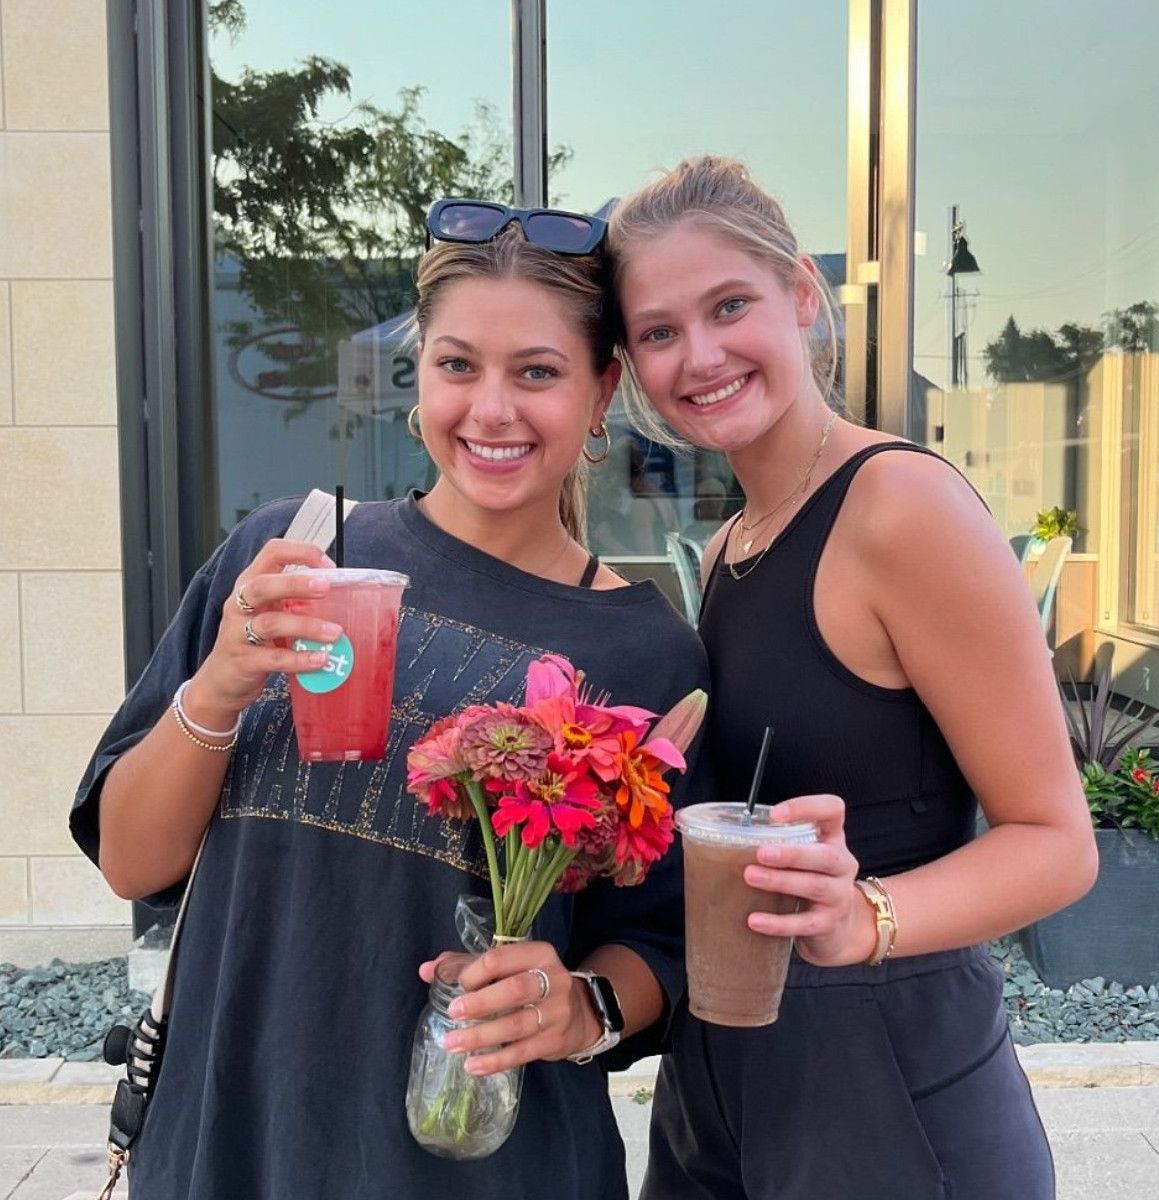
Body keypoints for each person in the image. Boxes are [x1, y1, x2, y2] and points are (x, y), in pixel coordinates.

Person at [71, 205, 710, 1199]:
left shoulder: (645, 653)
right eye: (458, 365)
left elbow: (670, 947)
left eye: (536, 372)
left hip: (487, 1167)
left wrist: (580, 1006)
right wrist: (224, 683)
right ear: (419, 379)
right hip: (233, 1145)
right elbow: (131, 860)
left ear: (602, 394)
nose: (491, 409)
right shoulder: (292, 555)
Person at [606, 156, 1098, 1199]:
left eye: (728, 305)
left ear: (798, 297)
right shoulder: (739, 538)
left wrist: (862, 915)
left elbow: (1057, 845)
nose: (700, 354)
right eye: (658, 331)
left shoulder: (898, 509)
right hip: (728, 1073)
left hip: (889, 1082)